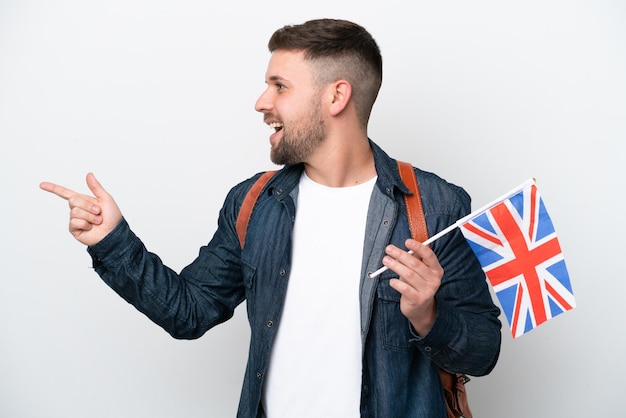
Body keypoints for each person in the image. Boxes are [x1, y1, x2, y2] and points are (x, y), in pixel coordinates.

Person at [40, 18, 501, 418]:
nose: (262, 102)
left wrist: (427, 314)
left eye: (280, 86)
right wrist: (112, 241)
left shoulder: (435, 207)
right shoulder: (253, 203)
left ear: (336, 95)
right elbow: (188, 311)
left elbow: (482, 352)